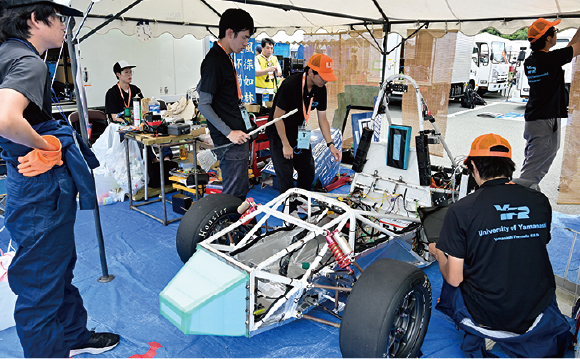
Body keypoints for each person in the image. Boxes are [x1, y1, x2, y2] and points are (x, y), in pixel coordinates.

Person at [0, 0, 120, 357]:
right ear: (36, 19)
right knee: (39, 282)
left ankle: (72, 336)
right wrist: (46, 144)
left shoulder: (6, 53)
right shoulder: (29, 62)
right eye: (60, 18)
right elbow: (6, 118)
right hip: (40, 185)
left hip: (29, 179)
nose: (66, 26)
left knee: (56, 265)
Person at [429, 133, 571, 358]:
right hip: (536, 309)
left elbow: (455, 278)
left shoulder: (462, 210)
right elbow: (532, 244)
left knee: (453, 272)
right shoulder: (539, 201)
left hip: (489, 316)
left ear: (473, 166)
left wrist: (438, 253)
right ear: (509, 166)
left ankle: (481, 331)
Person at [266, 53, 342, 209]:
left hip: (300, 131)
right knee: (285, 175)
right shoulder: (290, 85)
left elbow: (322, 119)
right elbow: (277, 117)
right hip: (280, 133)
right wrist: (286, 144)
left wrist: (331, 145)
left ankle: (302, 202)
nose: (325, 80)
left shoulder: (321, 88)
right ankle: (289, 211)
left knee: (307, 169)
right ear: (311, 72)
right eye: (323, 76)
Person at [197, 8, 254, 201]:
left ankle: (236, 227)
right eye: (244, 38)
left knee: (240, 188)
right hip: (230, 140)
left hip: (238, 136)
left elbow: (201, 88)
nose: (246, 44)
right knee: (234, 194)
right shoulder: (214, 60)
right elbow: (203, 104)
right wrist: (229, 132)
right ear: (230, 33)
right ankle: (230, 229)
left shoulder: (225, 57)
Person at [520, 18, 580, 187]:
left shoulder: (532, 60)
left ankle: (527, 192)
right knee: (534, 165)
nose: (556, 34)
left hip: (537, 118)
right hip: (544, 120)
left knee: (535, 160)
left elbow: (569, 49)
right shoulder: (549, 59)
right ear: (547, 38)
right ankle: (522, 195)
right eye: (555, 32)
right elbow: (576, 48)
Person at [255, 38, 282, 105]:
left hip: (270, 90)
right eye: (267, 48)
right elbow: (255, 73)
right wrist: (268, 70)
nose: (270, 50)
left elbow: (279, 73)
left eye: (271, 48)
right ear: (262, 48)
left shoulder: (274, 58)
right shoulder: (257, 58)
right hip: (259, 90)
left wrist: (276, 71)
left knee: (268, 111)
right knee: (260, 111)